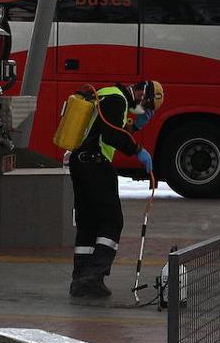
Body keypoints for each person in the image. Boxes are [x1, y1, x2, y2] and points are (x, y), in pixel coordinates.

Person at [69, 80, 164, 298]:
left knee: (88, 223)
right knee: (112, 221)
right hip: (95, 164)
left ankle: (80, 280)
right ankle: (92, 276)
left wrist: (136, 127)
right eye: (146, 105)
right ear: (141, 93)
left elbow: (108, 127)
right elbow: (110, 134)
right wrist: (137, 150)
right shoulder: (117, 99)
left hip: (81, 163)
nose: (144, 109)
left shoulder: (108, 94)